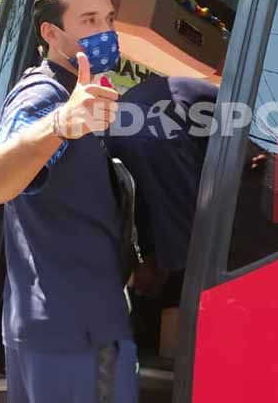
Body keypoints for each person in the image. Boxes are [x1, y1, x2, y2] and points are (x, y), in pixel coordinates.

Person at [0, 0, 136, 403]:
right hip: (73, 332)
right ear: (51, 33)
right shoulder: (44, 96)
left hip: (72, 325)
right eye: (89, 20)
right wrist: (61, 124)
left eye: (109, 19)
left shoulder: (79, 95)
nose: (105, 32)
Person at [108, 75, 218, 356]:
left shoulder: (148, 133)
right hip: (158, 135)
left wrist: (159, 262)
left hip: (144, 128)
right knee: (184, 258)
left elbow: (167, 219)